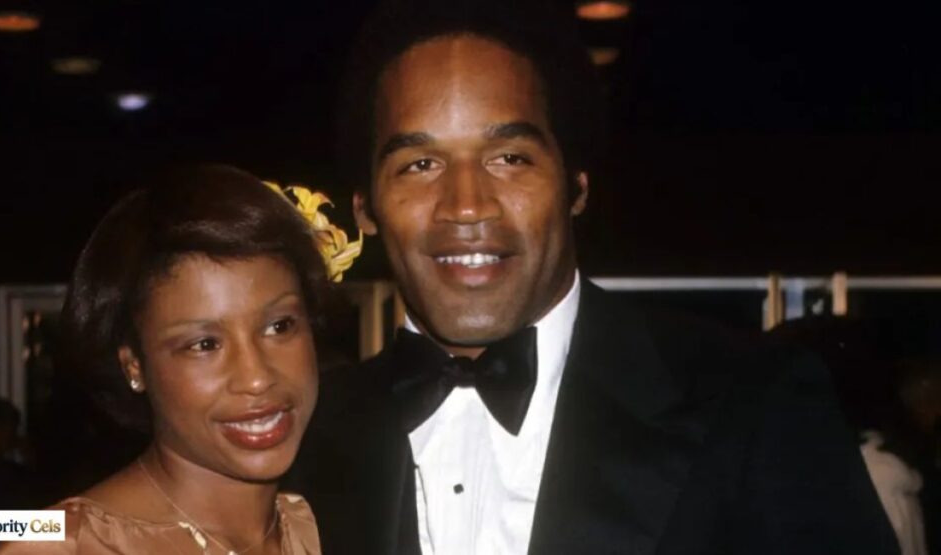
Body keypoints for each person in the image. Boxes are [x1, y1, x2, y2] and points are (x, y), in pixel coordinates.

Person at [286, 0, 900, 553]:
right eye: (420, 164)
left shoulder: (755, 406)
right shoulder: (300, 433)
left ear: (575, 187)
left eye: (509, 158)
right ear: (365, 208)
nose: (466, 205)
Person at [0, 165, 359, 554]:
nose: (256, 377)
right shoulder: (61, 545)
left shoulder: (326, 526)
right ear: (134, 365)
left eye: (279, 326)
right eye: (204, 344)